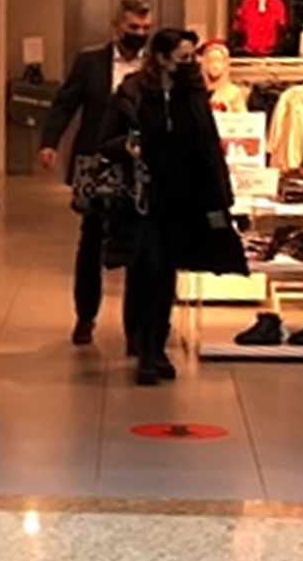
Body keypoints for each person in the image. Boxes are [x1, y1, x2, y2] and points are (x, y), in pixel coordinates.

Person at [99, 28, 247, 387]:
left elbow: (208, 146)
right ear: (162, 58)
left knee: (166, 273)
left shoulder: (192, 95)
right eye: (183, 57)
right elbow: (105, 141)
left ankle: (155, 346)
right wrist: (127, 147)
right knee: (148, 268)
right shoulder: (133, 93)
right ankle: (146, 348)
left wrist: (221, 198)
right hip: (142, 198)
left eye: (192, 56)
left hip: (183, 200)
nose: (191, 63)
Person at [38, 0, 152, 346]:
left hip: (142, 166)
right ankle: (85, 315)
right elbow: (65, 103)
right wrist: (50, 141)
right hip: (96, 162)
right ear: (116, 27)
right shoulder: (90, 63)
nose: (139, 34)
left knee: (140, 245)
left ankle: (137, 328)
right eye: (133, 27)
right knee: (91, 240)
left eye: (145, 28)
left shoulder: (154, 66)